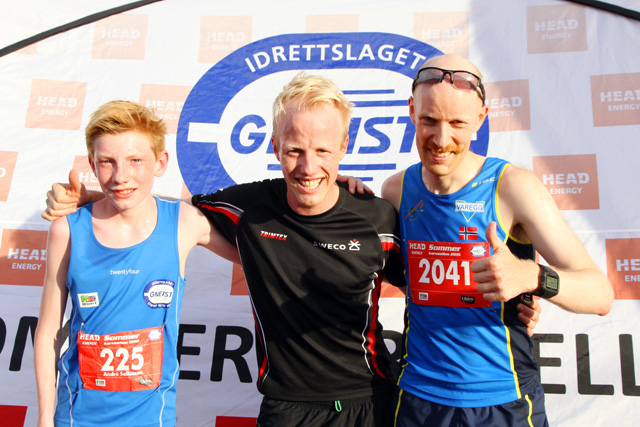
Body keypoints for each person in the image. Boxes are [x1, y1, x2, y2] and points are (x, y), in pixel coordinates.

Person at [41, 73, 541, 426]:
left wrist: (516, 300)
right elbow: (161, 210)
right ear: (275, 146)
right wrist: (91, 199)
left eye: (323, 151)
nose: (308, 166)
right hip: (285, 407)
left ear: (344, 147)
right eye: (295, 150)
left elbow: (429, 286)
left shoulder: (377, 216)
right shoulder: (248, 208)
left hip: (371, 402)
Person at [381, 54, 614, 426]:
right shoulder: (395, 190)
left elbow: (600, 294)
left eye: (457, 123)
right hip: (418, 400)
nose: (441, 139)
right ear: (412, 112)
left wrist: (531, 278)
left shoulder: (514, 187)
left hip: (503, 401)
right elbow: (409, 280)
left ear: (480, 118)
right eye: (429, 120)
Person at [33, 101, 238, 427]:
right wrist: (44, 418)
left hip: (152, 418)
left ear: (160, 162)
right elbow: (47, 332)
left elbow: (257, 257)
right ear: (92, 164)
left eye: (135, 161)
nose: (120, 176)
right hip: (76, 417)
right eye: (107, 162)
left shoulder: (183, 222)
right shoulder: (66, 231)